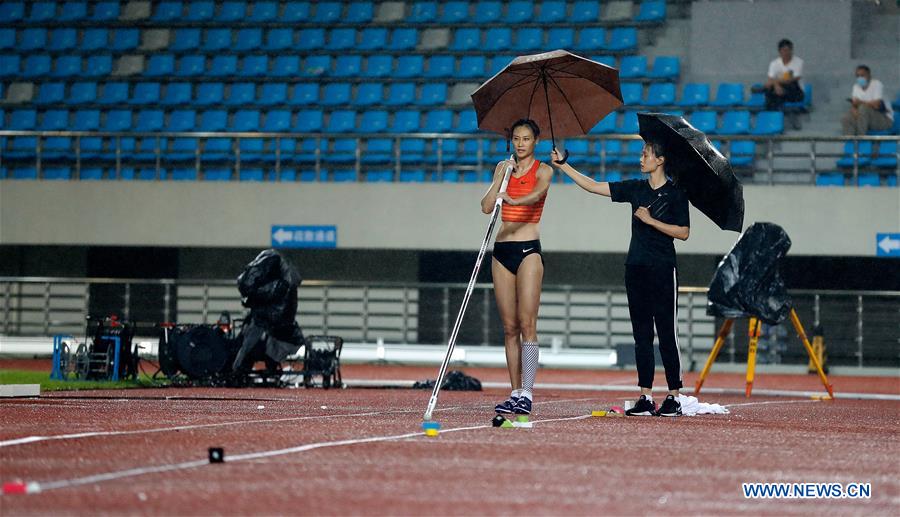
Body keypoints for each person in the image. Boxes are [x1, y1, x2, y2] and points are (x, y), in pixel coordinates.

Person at [550, 140, 690, 417]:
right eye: (642, 153)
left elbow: (683, 232)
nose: (641, 158)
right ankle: (646, 396)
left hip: (663, 268)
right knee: (641, 336)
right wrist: (564, 166)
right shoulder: (635, 188)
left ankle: (674, 396)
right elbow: (593, 186)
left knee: (666, 334)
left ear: (660, 160)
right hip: (635, 267)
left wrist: (651, 221)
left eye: (646, 154)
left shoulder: (676, 193)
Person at [481, 119, 552, 416]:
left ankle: (528, 392)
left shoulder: (544, 169)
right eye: (516, 138)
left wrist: (513, 197)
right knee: (509, 327)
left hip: (528, 250)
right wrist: (502, 178)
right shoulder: (503, 168)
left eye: (526, 138)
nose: (520, 143)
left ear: (536, 141)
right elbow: (486, 206)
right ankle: (514, 392)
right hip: (502, 250)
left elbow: (537, 194)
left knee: (527, 324)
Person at [759, 39, 805, 129]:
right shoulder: (774, 63)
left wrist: (776, 82)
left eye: (788, 50)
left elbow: (793, 79)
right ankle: (772, 122)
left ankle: (773, 121)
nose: (786, 53)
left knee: (776, 91)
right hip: (779, 92)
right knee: (770, 91)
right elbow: (769, 80)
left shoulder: (799, 62)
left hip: (795, 91)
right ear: (779, 51)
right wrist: (776, 85)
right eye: (784, 50)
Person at [841, 65, 894, 135]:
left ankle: (861, 138)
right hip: (865, 119)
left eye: (862, 75)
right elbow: (854, 105)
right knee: (846, 117)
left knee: (863, 108)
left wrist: (860, 103)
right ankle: (851, 141)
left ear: (869, 75)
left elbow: (877, 105)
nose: (860, 78)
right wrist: (854, 111)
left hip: (884, 119)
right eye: (857, 76)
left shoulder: (877, 84)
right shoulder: (856, 87)